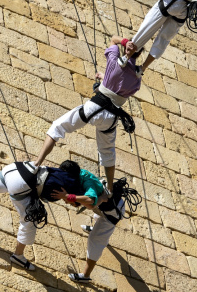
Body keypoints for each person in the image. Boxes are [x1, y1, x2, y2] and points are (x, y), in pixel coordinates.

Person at [33, 35, 143, 192]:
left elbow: (113, 39)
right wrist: (105, 79)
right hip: (111, 118)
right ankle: (110, 189)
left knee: (58, 126)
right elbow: (116, 92)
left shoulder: (114, 61)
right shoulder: (136, 80)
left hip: (94, 108)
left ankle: (36, 164)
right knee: (107, 152)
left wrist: (125, 42)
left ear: (127, 47)